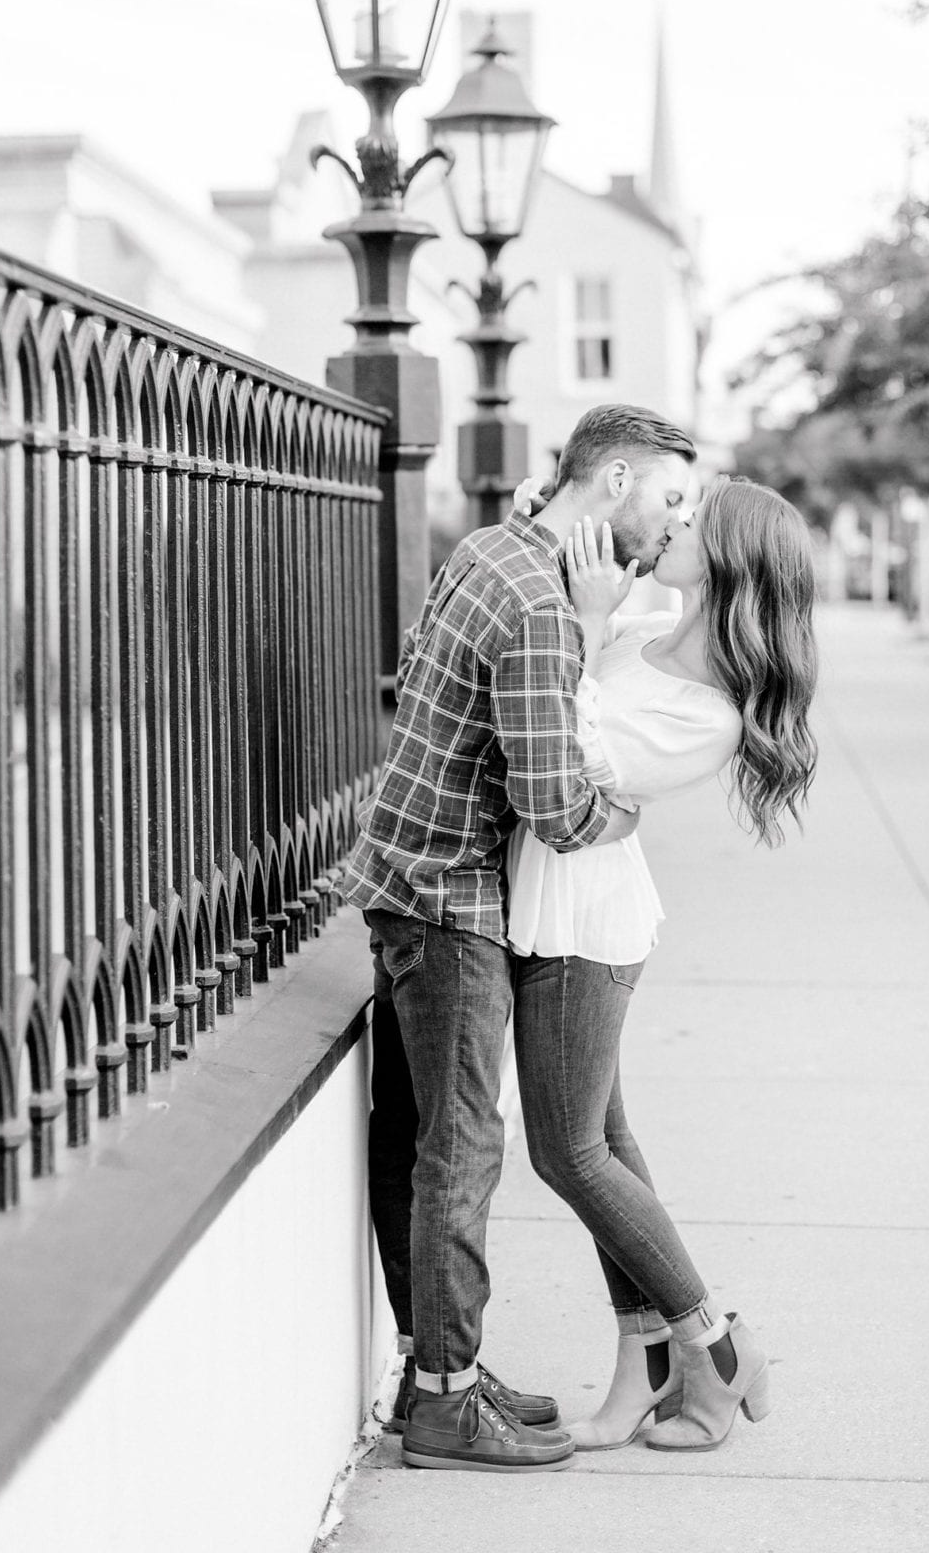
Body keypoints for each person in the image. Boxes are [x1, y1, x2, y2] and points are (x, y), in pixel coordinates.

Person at [341, 403, 697, 1472]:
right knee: (462, 1146)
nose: (674, 525)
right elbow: (555, 804)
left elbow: (424, 690)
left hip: (404, 873)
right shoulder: (546, 607)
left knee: (417, 1135)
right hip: (453, 900)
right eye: (671, 498)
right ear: (616, 478)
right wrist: (624, 809)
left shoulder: (487, 548)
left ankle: (431, 1376)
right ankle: (447, 1403)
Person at [507, 473, 818, 1451]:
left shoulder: (714, 712)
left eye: (693, 518)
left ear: (728, 560)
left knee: (569, 1153)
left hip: (584, 923)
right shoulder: (644, 626)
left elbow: (585, 760)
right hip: (549, 898)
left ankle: (716, 1351)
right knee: (604, 1140)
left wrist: (588, 627)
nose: (673, 522)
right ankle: (646, 1364)